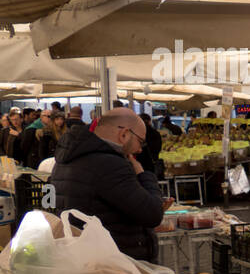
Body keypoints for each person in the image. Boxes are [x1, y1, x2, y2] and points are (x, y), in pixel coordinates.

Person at [50, 108, 165, 261]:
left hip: (85, 258)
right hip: (114, 263)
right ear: (124, 134)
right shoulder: (110, 165)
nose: (139, 149)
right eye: (140, 141)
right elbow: (152, 214)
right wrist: (143, 175)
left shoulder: (65, 160)